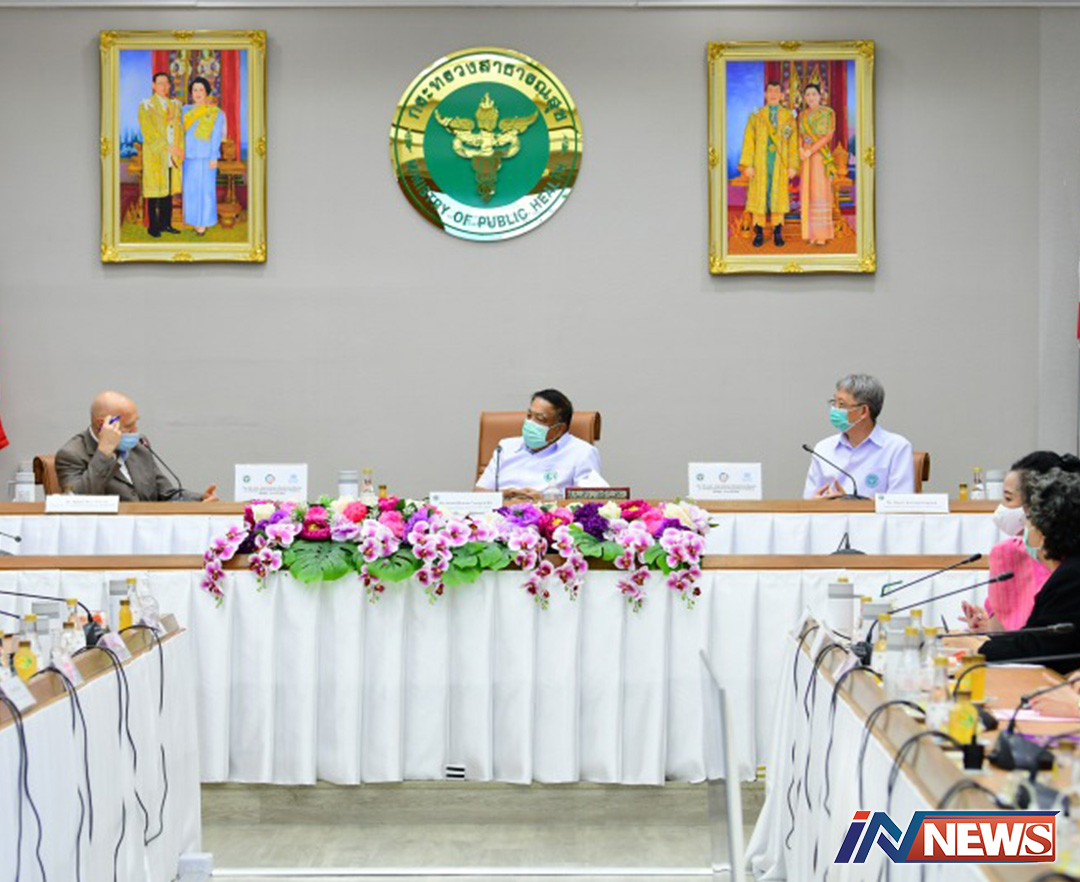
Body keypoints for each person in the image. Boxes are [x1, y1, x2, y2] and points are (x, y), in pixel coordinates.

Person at [961, 452, 1080, 633]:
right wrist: (986, 627)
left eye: (1008, 499)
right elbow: (1004, 631)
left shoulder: (1068, 571)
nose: (1001, 507)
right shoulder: (1008, 553)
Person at [981, 469, 1080, 674]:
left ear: (1044, 533)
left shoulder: (1071, 578)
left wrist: (980, 649)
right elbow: (1032, 638)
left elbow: (1038, 648)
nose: (1024, 528)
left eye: (1028, 519)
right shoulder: (1067, 573)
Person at [55, 391, 217, 502]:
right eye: (128, 426)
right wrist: (104, 452)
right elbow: (77, 501)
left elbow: (165, 493)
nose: (135, 431)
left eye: (135, 423)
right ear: (101, 424)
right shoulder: (71, 454)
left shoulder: (139, 445)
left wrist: (200, 499)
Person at [475, 389, 606, 499]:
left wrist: (545, 501)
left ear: (559, 429)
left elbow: (590, 501)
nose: (530, 423)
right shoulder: (505, 447)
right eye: (529, 415)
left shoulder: (582, 452)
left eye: (540, 419)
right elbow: (478, 494)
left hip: (550, 519)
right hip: (500, 517)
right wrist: (504, 495)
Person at [803, 373, 914, 499]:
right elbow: (807, 501)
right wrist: (817, 503)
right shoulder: (823, 448)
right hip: (828, 513)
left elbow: (899, 502)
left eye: (841, 405)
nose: (835, 409)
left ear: (863, 411)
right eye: (834, 402)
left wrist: (851, 503)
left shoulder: (896, 447)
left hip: (873, 513)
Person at [739, 80, 799, 248]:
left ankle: (777, 231)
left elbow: (793, 143)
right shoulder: (756, 116)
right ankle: (758, 231)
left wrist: (793, 166)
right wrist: (748, 164)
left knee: (777, 197)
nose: (773, 94)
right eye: (770, 91)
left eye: (776, 91)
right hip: (760, 163)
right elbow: (749, 141)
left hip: (780, 163)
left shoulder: (788, 117)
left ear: (782, 95)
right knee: (760, 196)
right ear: (765, 94)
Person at [137, 72, 183, 238]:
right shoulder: (146, 105)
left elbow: (180, 129)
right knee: (154, 192)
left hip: (171, 156)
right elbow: (148, 131)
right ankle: (153, 226)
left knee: (168, 191)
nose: (163, 86)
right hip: (156, 154)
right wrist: (166, 147)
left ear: (169, 85)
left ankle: (166, 224)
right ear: (153, 85)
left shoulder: (175, 105)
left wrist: (178, 149)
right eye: (159, 83)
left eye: (166, 83)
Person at [182, 76, 225, 236]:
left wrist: (214, 156)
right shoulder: (184, 111)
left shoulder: (215, 113)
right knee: (191, 190)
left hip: (207, 157)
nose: (198, 93)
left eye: (201, 90)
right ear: (191, 93)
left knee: (206, 190)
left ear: (207, 92)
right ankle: (193, 220)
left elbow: (216, 136)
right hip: (189, 157)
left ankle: (205, 221)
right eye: (195, 90)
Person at [797, 83, 835, 246]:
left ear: (820, 96)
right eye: (807, 94)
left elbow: (827, 136)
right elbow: (800, 135)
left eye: (814, 94)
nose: (811, 97)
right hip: (806, 157)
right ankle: (810, 234)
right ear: (804, 98)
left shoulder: (828, 113)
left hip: (819, 155)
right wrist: (800, 148)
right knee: (808, 192)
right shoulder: (802, 115)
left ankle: (822, 235)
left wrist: (810, 150)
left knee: (819, 192)